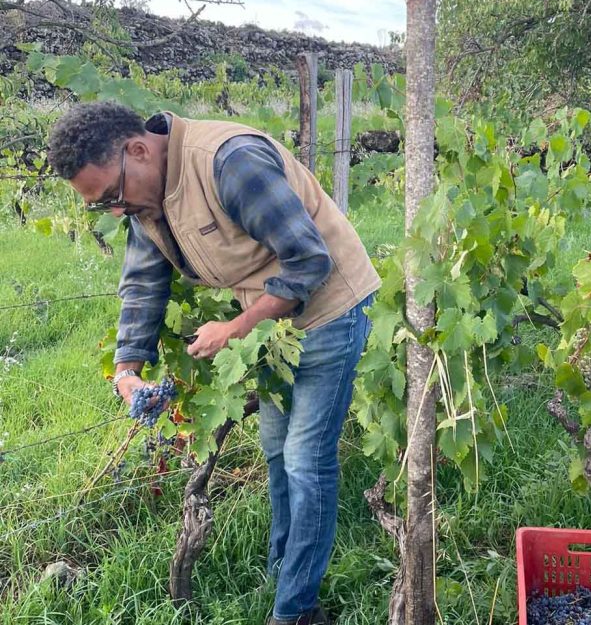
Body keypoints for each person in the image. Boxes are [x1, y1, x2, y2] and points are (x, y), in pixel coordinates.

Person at [47, 101, 380, 625]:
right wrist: (127, 369)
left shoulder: (229, 161)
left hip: (330, 309)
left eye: (111, 196)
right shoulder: (143, 198)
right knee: (277, 450)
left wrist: (236, 329)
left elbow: (309, 259)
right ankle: (283, 573)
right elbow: (143, 284)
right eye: (100, 206)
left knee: (305, 460)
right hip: (271, 329)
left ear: (138, 150)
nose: (113, 211)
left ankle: (295, 610)